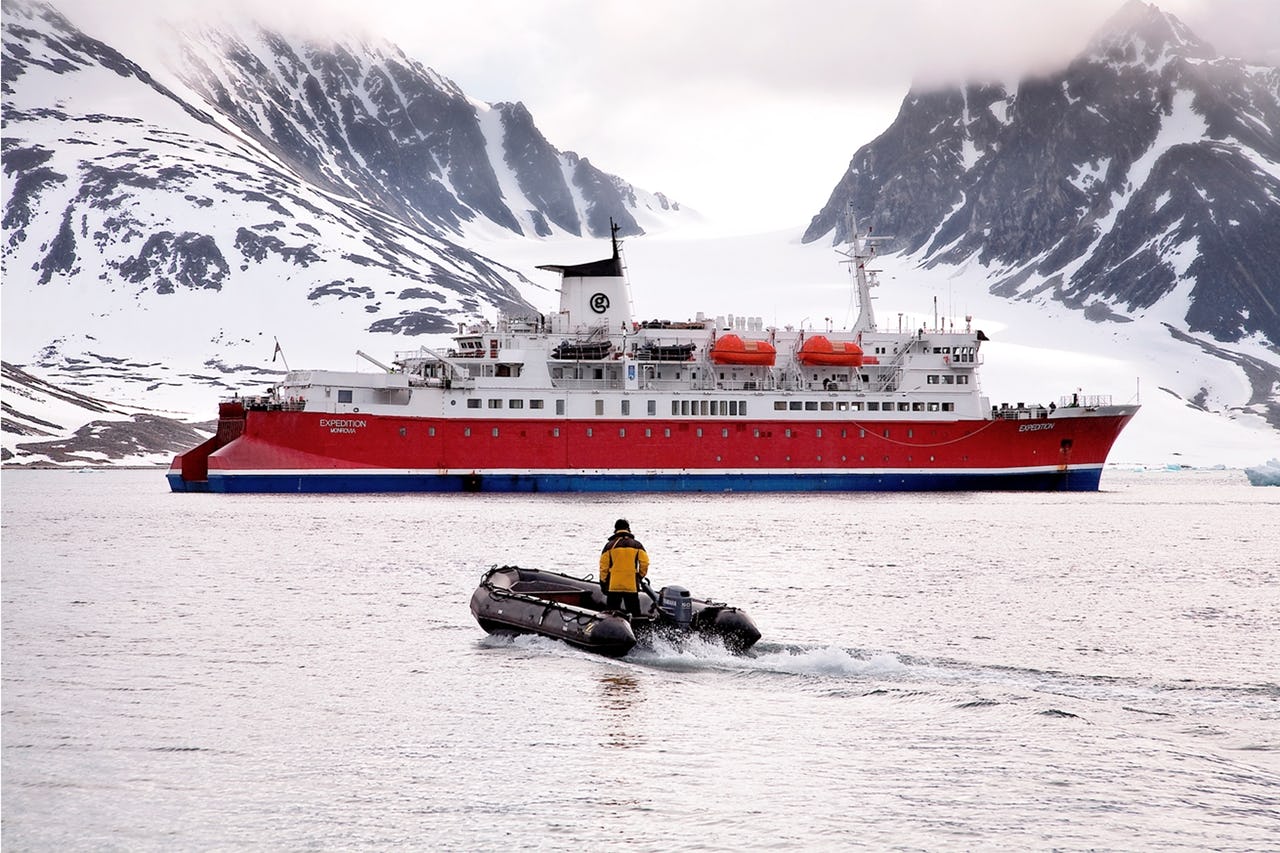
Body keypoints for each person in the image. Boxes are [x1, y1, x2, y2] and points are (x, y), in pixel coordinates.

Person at [599, 519, 649, 617]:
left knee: (610, 614)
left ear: (615, 529)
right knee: (635, 614)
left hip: (614, 586)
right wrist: (639, 576)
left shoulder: (609, 546)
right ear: (628, 529)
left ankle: (611, 631)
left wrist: (603, 582)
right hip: (631, 586)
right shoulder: (637, 545)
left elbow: (603, 567)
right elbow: (645, 563)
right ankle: (638, 630)